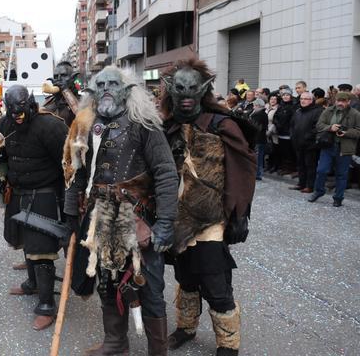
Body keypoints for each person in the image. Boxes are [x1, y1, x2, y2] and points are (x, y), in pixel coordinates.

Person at [62, 66, 178, 354]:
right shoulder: (86, 125)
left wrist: (165, 222)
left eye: (113, 84)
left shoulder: (144, 124)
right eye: (100, 85)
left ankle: (158, 351)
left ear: (127, 90)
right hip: (99, 217)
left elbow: (166, 172)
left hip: (138, 218)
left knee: (149, 287)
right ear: (93, 92)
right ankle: (116, 342)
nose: (106, 90)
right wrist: (70, 215)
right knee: (107, 282)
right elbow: (78, 172)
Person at [161, 59, 256, 356]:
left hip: (211, 220)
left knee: (216, 283)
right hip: (177, 220)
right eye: (180, 88)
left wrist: (240, 215)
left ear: (203, 89)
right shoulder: (167, 127)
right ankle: (186, 327)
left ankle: (228, 344)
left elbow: (242, 171)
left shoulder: (222, 125)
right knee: (186, 278)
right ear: (170, 89)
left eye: (193, 88)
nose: (186, 95)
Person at [0, 84, 69, 331]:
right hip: (18, 193)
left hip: (45, 194)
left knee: (41, 249)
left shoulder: (51, 126)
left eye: (21, 112)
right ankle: (32, 283)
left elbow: (68, 165)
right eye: (13, 112)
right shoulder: (5, 125)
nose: (18, 117)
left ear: (30, 104)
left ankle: (46, 304)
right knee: (23, 240)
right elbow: (2, 160)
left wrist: (70, 203)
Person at [309, 92, 360, 206]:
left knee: (341, 174)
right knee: (321, 170)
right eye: (338, 101)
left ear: (349, 102)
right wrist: (330, 127)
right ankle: (319, 191)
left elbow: (358, 131)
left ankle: (338, 198)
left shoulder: (355, 114)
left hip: (344, 148)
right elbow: (319, 125)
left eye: (343, 101)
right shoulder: (328, 111)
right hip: (328, 146)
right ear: (335, 101)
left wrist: (346, 132)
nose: (340, 103)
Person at [289, 93, 323, 193]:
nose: (303, 101)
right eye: (301, 99)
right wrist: (292, 135)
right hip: (298, 143)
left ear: (311, 100)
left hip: (310, 145)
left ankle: (310, 186)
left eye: (306, 99)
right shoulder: (298, 111)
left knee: (310, 166)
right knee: (300, 165)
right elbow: (292, 125)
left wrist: (307, 136)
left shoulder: (317, 111)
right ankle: (301, 183)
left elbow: (317, 127)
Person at [42, 61, 79, 126]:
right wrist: (57, 98)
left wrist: (65, 90)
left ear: (73, 78)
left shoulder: (83, 100)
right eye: (56, 76)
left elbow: (81, 116)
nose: (58, 79)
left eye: (63, 75)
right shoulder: (49, 101)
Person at [273, 89, 297, 174]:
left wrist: (286, 127)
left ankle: (289, 168)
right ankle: (284, 167)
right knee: (282, 151)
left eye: (287, 95)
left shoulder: (293, 106)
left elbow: (293, 120)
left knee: (288, 152)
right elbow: (275, 116)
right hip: (280, 132)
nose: (285, 97)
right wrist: (277, 124)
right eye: (283, 95)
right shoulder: (281, 105)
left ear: (290, 96)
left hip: (288, 133)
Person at [249, 98, 268, 180]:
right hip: (260, 139)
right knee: (259, 157)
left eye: (254, 105)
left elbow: (256, 127)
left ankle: (258, 174)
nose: (253, 107)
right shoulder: (261, 113)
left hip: (258, 139)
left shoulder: (259, 114)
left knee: (258, 157)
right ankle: (257, 173)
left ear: (258, 106)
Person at [265, 94, 280, 173]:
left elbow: (275, 122)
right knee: (269, 150)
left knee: (274, 150)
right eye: (271, 99)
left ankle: (275, 166)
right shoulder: (266, 108)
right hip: (265, 131)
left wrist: (269, 131)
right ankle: (268, 165)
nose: (273, 100)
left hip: (273, 132)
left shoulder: (278, 109)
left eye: (275, 99)